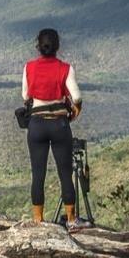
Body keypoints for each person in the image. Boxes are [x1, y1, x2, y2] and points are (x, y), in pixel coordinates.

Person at [21, 27, 83, 224]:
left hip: (37, 125)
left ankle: (38, 220)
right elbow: (77, 96)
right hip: (59, 125)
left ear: (38, 46)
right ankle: (72, 219)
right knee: (65, 173)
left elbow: (25, 96)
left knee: (38, 174)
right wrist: (76, 109)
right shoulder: (65, 68)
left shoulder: (29, 67)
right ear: (57, 46)